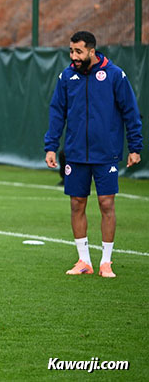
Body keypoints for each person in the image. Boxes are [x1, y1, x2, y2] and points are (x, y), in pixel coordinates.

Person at [44, 31, 142, 278]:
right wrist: (51, 146)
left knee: (106, 203)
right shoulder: (67, 76)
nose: (73, 56)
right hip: (76, 153)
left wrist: (135, 147)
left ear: (91, 51)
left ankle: (106, 262)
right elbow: (57, 112)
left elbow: (131, 112)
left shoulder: (114, 75)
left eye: (78, 51)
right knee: (77, 204)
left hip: (106, 153)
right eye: (71, 51)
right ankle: (84, 260)